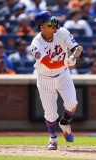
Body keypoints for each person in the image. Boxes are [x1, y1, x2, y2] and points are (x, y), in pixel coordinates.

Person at [30, 11, 83, 150]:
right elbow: (50, 64)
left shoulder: (63, 32)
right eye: (49, 23)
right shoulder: (36, 44)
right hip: (45, 78)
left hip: (63, 75)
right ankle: (53, 138)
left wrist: (76, 54)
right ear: (42, 27)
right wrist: (67, 61)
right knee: (51, 113)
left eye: (53, 20)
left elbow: (77, 49)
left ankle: (65, 123)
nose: (54, 24)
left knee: (72, 103)